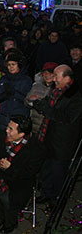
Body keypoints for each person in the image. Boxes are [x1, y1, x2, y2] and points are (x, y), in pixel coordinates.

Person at [28, 65, 82, 207]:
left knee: (58, 172)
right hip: (48, 136)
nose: (54, 79)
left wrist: (45, 108)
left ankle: (56, 199)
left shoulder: (75, 96)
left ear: (67, 77)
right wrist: (39, 103)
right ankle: (46, 193)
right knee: (47, 168)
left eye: (57, 76)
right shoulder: (56, 89)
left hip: (62, 141)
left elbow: (66, 118)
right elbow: (48, 104)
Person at [0, 115, 44, 234]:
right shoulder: (1, 136)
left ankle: (10, 223)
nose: (7, 130)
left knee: (8, 200)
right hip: (0, 176)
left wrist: (10, 168)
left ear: (21, 134)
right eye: (8, 127)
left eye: (11, 129)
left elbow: (29, 172)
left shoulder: (36, 148)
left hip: (19, 182)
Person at [0, 54, 32, 130]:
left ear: (19, 65)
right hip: (3, 116)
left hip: (19, 117)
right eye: (8, 65)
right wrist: (5, 94)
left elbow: (28, 100)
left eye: (13, 64)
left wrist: (14, 93)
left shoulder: (26, 80)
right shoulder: (4, 79)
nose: (11, 67)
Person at [25, 62, 57, 134]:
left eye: (50, 73)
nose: (47, 75)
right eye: (45, 73)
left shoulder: (58, 89)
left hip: (49, 127)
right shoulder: (36, 86)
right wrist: (30, 101)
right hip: (34, 124)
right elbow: (26, 102)